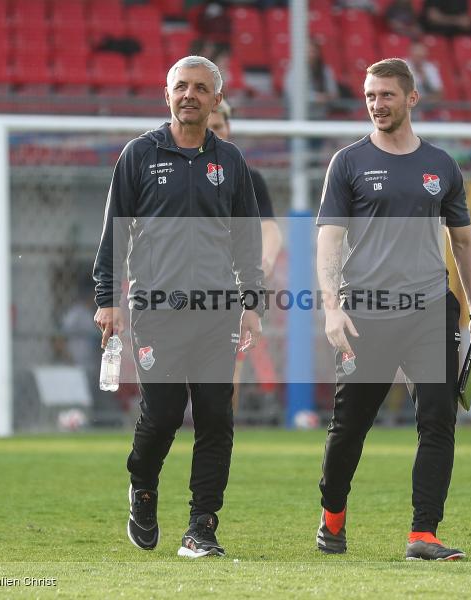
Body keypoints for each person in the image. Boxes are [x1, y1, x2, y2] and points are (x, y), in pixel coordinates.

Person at [314, 58, 471, 560]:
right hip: (366, 312)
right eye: (370, 95)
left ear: (411, 98)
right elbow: (329, 241)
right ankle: (332, 517)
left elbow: (464, 241)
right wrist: (332, 308)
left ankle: (423, 533)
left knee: (438, 421)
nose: (376, 104)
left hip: (430, 311)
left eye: (387, 95)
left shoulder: (442, 166)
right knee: (349, 426)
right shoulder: (348, 162)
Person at [92, 55, 265, 558]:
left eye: (200, 88)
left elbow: (246, 240)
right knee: (163, 416)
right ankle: (142, 488)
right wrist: (108, 300)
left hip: (218, 314)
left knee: (216, 417)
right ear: (166, 94)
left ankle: (201, 528)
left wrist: (251, 303)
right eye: (181, 86)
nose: (190, 95)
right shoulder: (139, 155)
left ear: (216, 99)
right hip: (156, 311)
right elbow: (115, 231)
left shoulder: (230, 161)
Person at [206, 100, 284, 409]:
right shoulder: (172, 176)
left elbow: (270, 229)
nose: (214, 133)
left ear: (228, 127)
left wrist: (263, 263)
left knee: (228, 374)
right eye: (207, 127)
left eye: (218, 126)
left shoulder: (248, 178)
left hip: (228, 289)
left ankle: (218, 443)